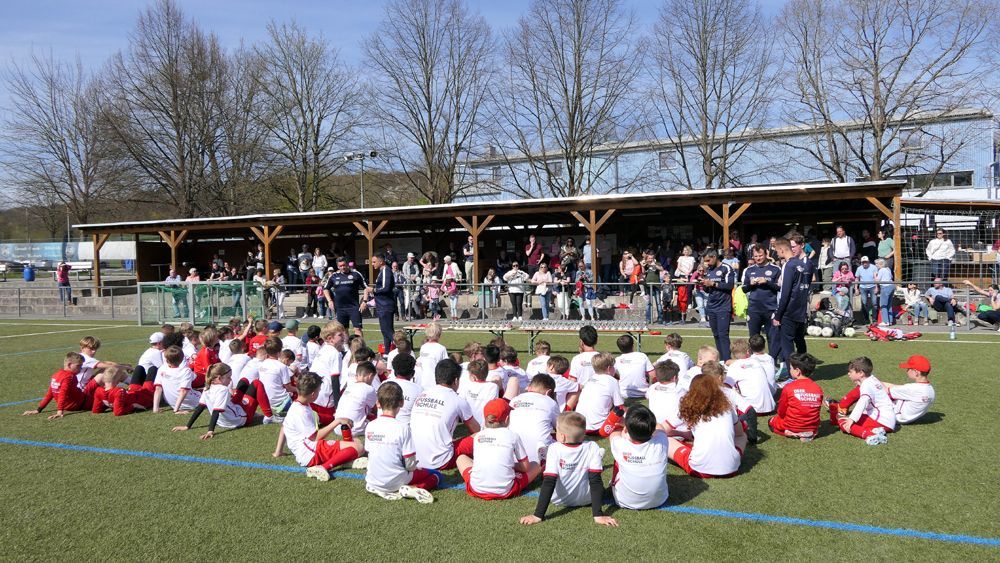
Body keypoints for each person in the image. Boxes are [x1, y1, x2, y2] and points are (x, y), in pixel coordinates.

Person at [520, 412, 618, 527]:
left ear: (562, 436)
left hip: (559, 500)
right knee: (594, 466)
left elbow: (549, 482)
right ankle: (597, 458)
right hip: (587, 500)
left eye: (556, 430)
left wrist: (538, 515)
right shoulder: (592, 447)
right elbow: (595, 481)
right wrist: (598, 515)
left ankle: (544, 460)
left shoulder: (554, 448)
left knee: (547, 472)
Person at [363, 382, 440, 503]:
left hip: (373, 480)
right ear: (402, 402)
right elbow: (410, 465)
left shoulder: (370, 426)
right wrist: (415, 467)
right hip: (396, 480)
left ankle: (386, 486)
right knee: (436, 474)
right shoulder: (403, 428)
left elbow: (370, 453)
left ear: (378, 403)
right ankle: (414, 488)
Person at [281, 373, 366, 482]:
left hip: (309, 449)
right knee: (359, 448)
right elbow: (315, 437)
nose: (319, 393)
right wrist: (337, 421)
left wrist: (278, 451)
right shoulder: (301, 411)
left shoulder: (299, 405)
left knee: (357, 442)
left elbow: (284, 426)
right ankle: (322, 467)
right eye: (319, 391)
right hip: (310, 453)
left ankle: (346, 459)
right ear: (313, 394)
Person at [457, 398, 541, 501]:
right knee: (536, 465)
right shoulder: (513, 436)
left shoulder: (478, 436)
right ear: (506, 419)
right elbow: (525, 467)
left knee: (461, 458)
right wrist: (511, 464)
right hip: (505, 490)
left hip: (477, 488)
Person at [667, 372, 747, 478]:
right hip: (731, 469)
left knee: (666, 439)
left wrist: (678, 433)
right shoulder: (727, 407)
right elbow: (739, 433)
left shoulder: (688, 407)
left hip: (699, 469)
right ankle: (728, 458)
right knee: (743, 436)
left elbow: (663, 428)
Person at [410, 359, 479, 470]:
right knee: (482, 436)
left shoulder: (422, 394)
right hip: (441, 461)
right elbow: (476, 430)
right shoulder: (458, 400)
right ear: (456, 380)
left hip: (414, 457)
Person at [171, 363, 259, 439]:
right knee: (256, 384)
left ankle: (249, 408)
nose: (230, 380)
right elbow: (216, 411)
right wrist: (210, 431)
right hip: (240, 420)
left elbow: (200, 408)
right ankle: (267, 416)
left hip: (223, 422)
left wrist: (187, 426)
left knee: (243, 382)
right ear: (219, 378)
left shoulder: (207, 387)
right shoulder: (223, 390)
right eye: (228, 377)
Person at [609, 405, 670, 509]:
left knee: (618, 456)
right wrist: (629, 425)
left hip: (624, 501)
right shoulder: (661, 441)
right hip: (660, 500)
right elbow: (659, 427)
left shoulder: (620, 445)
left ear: (626, 429)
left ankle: (614, 484)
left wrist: (623, 426)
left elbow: (613, 434)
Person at [828, 356, 896, 445]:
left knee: (843, 422)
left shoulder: (866, 385)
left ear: (860, 373)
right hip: (889, 420)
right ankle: (875, 430)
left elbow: (863, 402)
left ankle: (870, 434)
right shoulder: (873, 379)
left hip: (881, 421)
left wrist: (851, 419)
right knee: (853, 418)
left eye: (851, 372)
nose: (848, 374)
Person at [772, 236, 811, 378]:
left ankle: (792, 376)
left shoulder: (788, 265)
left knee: (787, 345)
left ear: (782, 250)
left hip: (789, 311)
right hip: (801, 310)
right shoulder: (804, 264)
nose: (777, 254)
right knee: (800, 341)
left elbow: (786, 292)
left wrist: (778, 315)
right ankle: (805, 372)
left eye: (777, 251)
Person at [22, 352, 95, 419]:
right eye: (78, 366)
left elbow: (50, 393)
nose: (81, 368)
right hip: (81, 403)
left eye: (81, 366)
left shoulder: (56, 375)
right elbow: (63, 393)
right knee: (99, 394)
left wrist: (39, 409)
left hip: (73, 403)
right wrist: (60, 411)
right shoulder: (70, 377)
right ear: (69, 365)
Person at [768, 353, 823, 441]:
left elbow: (781, 411)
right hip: (812, 426)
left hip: (791, 425)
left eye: (790, 368)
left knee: (771, 422)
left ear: (797, 371)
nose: (790, 370)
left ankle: (792, 433)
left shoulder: (789, 387)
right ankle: (810, 433)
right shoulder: (818, 388)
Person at [575, 353, 625, 437]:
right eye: (613, 366)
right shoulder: (611, 381)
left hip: (580, 426)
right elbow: (620, 407)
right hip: (599, 428)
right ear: (609, 368)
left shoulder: (591, 378)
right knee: (627, 414)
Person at [700, 250, 737, 360]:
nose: (707, 263)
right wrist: (704, 284)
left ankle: (727, 360)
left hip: (723, 307)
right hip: (711, 306)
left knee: (723, 335)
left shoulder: (726, 268)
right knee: (716, 335)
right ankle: (721, 360)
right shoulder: (709, 270)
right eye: (705, 261)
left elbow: (730, 285)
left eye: (708, 260)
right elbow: (708, 290)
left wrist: (713, 283)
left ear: (714, 257)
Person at [742, 246, 781, 348]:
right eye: (755, 256)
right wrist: (751, 284)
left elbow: (780, 288)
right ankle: (754, 358)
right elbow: (744, 289)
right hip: (754, 309)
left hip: (770, 309)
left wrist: (767, 282)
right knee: (753, 339)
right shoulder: (748, 270)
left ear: (766, 254)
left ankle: (773, 358)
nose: (758, 258)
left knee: (773, 338)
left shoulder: (776, 269)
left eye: (760, 255)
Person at [883, 354, 937, 425]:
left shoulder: (913, 388)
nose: (907, 371)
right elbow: (897, 387)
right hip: (910, 419)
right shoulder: (930, 390)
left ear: (916, 372)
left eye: (909, 369)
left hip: (894, 417)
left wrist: (871, 380)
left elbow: (885, 390)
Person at [324, 257, 367, 336]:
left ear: (347, 264)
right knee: (343, 330)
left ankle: (360, 344)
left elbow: (366, 288)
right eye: (340, 266)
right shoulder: (333, 276)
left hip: (354, 307)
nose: (342, 267)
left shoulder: (356, 274)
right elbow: (325, 289)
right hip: (340, 308)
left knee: (357, 328)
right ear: (338, 266)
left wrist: (364, 301)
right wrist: (330, 301)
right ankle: (346, 344)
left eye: (344, 265)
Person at [152, 346, 201, 413]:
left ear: (166, 359)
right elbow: (183, 391)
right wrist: (176, 410)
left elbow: (158, 389)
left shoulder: (162, 368)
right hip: (190, 403)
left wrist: (155, 408)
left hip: (171, 402)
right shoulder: (186, 371)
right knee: (207, 393)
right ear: (182, 359)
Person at [645, 360, 687, 438]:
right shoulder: (680, 391)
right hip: (678, 430)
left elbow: (647, 396)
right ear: (675, 377)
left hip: (655, 426)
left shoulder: (652, 387)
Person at [365, 254, 396, 352]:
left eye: (374, 262)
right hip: (382, 305)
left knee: (387, 330)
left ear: (381, 261)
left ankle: (403, 348)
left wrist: (373, 290)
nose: (372, 264)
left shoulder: (386, 270)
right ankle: (387, 352)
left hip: (385, 305)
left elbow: (385, 288)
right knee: (385, 331)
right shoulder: (382, 271)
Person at [460, 359, 501, 426]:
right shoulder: (493, 387)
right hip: (486, 423)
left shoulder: (466, 385)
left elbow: (461, 404)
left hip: (470, 423)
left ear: (473, 376)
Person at [614, 334, 655, 400]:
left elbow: (612, 375)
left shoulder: (617, 360)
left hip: (623, 393)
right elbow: (653, 375)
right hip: (644, 393)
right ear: (633, 345)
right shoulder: (642, 356)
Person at [875, 258, 895, 326]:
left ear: (881, 264)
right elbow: (891, 276)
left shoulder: (881, 270)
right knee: (889, 304)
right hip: (891, 286)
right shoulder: (888, 269)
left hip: (885, 287)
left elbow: (877, 280)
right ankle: (890, 321)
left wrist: (875, 276)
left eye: (877, 263)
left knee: (883, 304)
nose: (876, 265)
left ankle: (885, 321)